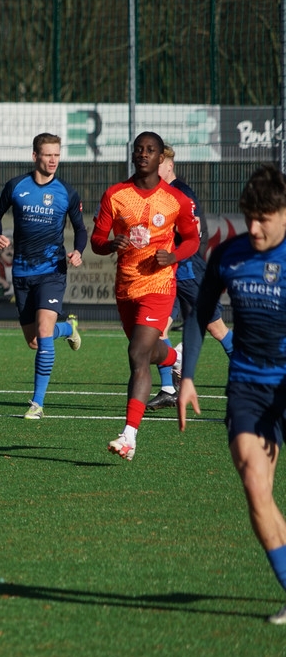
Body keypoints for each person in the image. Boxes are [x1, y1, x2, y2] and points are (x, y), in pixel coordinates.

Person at [178, 164, 286, 624]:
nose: (255, 228)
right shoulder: (229, 254)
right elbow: (201, 311)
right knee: (256, 486)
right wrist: (187, 376)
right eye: (250, 218)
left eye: (265, 219)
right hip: (248, 386)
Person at [90, 131, 200, 461]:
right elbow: (96, 240)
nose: (143, 154)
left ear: (160, 158)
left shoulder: (175, 199)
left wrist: (174, 256)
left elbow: (192, 239)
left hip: (159, 286)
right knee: (148, 352)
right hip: (126, 287)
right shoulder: (115, 195)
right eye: (139, 149)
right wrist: (111, 244)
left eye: (150, 150)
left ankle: (129, 436)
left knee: (137, 354)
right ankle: (174, 357)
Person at [0, 132, 87, 420]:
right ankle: (67, 329)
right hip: (22, 272)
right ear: (35, 156)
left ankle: (37, 404)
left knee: (43, 333)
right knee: (34, 341)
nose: (53, 160)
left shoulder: (66, 192)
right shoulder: (16, 186)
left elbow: (80, 228)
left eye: (57, 154)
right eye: (47, 155)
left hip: (52, 271)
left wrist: (78, 251)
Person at [145, 145, 234, 411]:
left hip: (188, 271)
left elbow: (193, 234)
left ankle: (251, 380)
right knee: (158, 331)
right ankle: (168, 389)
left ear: (169, 165)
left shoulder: (181, 192)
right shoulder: (158, 193)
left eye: (158, 164)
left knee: (217, 329)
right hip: (167, 274)